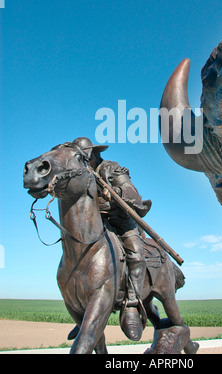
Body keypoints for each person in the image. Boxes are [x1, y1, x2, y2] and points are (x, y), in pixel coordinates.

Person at [71, 137, 151, 341]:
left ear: (93, 154)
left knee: (136, 253)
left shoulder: (111, 168)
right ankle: (83, 315)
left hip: (119, 220)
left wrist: (113, 192)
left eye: (83, 157)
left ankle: (132, 305)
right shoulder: (81, 175)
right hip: (95, 223)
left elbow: (130, 190)